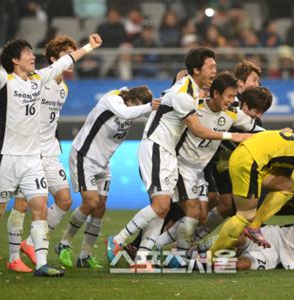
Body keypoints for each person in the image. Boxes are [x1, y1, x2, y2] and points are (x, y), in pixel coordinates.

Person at [0, 25, 102, 277]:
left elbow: (65, 62)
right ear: (15, 60)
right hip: (5, 157)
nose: (32, 56)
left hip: (32, 159)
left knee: (40, 206)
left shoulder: (38, 79)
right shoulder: (3, 80)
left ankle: (41, 264)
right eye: (27, 53)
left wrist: (90, 46)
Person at [106, 47, 251, 264]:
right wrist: (233, 135)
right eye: (210, 67)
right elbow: (198, 130)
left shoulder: (191, 90)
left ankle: (143, 257)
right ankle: (118, 240)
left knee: (163, 208)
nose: (214, 71)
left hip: (167, 152)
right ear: (196, 70)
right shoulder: (184, 95)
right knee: (163, 206)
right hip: (156, 147)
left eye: (215, 67)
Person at [155, 72, 262, 254]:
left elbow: (256, 130)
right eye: (229, 95)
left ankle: (157, 246)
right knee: (191, 213)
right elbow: (169, 113)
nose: (233, 100)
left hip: (200, 170)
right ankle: (174, 254)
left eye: (234, 95)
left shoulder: (232, 114)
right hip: (180, 165)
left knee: (202, 216)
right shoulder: (195, 108)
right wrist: (154, 105)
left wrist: (278, 136)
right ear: (215, 94)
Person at [56, 86, 159, 268]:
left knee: (100, 208)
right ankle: (64, 243)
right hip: (84, 156)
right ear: (131, 99)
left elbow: (149, 117)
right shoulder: (112, 99)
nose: (136, 112)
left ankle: (85, 256)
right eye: (136, 105)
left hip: (104, 162)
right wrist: (149, 106)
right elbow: (125, 113)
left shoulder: (134, 109)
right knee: (91, 202)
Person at [5, 35, 77, 273]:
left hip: (50, 151)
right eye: (68, 55)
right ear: (55, 60)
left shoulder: (63, 88)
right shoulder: (36, 80)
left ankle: (28, 244)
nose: (73, 60)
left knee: (65, 200)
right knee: (22, 204)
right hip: (28, 152)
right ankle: (14, 256)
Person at [209, 130, 294, 254]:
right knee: (245, 216)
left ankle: (254, 226)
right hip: (250, 161)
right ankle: (213, 255)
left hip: (247, 157)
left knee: (288, 186)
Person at [193, 61, 271, 243]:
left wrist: (279, 137)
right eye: (254, 80)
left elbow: (258, 133)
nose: (257, 84)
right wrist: (232, 136)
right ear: (240, 83)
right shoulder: (216, 104)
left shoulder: (243, 115)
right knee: (191, 209)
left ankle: (193, 244)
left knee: (227, 206)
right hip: (200, 163)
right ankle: (149, 243)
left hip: (222, 167)